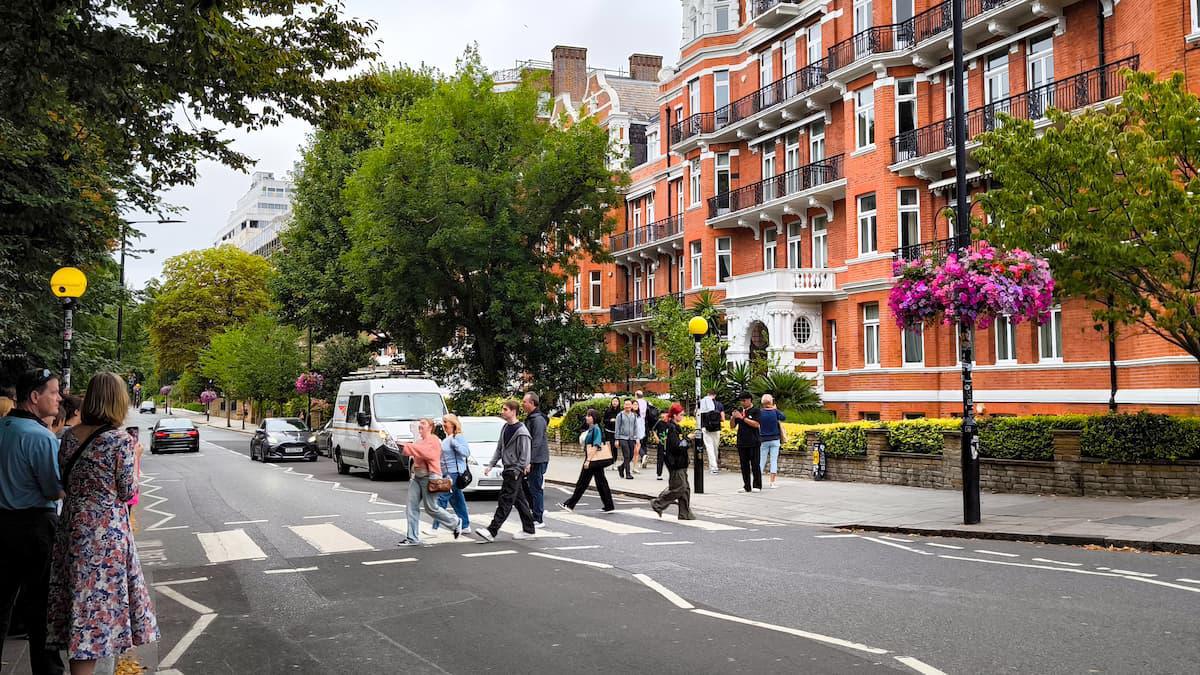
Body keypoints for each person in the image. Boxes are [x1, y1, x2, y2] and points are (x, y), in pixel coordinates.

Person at [47, 372, 156, 675]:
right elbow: (127, 491)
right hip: (104, 535)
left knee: (80, 614)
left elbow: (65, 479)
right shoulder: (120, 441)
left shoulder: (69, 437)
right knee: (96, 616)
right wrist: (136, 458)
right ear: (117, 401)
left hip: (72, 528)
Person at [0, 368, 66, 675]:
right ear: (35, 397)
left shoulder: (3, 427)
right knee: (41, 606)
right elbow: (53, 488)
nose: (59, 397)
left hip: (2, 524)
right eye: (53, 392)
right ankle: (47, 670)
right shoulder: (40, 437)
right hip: (35, 526)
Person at [476, 400, 536, 542]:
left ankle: (492, 531)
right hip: (507, 468)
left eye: (505, 409)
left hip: (513, 470)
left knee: (505, 500)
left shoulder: (522, 432)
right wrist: (491, 465)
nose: (502, 412)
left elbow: (525, 455)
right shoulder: (505, 427)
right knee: (519, 500)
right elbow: (499, 448)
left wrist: (517, 471)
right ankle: (529, 529)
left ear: (513, 411)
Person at [397, 418, 462, 546]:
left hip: (429, 477)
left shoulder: (434, 440)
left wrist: (408, 446)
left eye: (423, 423)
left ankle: (455, 522)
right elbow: (414, 451)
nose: (420, 425)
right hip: (417, 478)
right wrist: (402, 447)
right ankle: (412, 538)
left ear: (430, 427)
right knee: (411, 506)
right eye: (419, 423)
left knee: (431, 508)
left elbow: (427, 454)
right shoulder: (419, 441)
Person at [557, 409, 615, 512]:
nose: (587, 417)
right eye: (587, 415)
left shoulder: (596, 429)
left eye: (589, 416)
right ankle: (609, 505)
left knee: (582, 483)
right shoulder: (592, 428)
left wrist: (588, 460)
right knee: (601, 482)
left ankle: (570, 505)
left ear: (594, 418)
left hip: (592, 459)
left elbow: (596, 445)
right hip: (594, 460)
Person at [650, 403, 695, 520]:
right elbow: (676, 446)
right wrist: (688, 438)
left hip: (679, 462)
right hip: (675, 462)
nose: (683, 417)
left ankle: (684, 513)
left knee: (685, 488)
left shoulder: (674, 427)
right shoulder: (671, 428)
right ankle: (658, 503)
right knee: (680, 487)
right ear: (675, 415)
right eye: (681, 414)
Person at [430, 414, 470, 533]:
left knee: (441, 499)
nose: (443, 424)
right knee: (457, 500)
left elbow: (466, 452)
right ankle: (465, 525)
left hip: (454, 473)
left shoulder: (457, 437)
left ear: (453, 423)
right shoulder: (447, 438)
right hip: (446, 473)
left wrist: (455, 444)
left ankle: (435, 528)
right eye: (443, 421)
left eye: (446, 422)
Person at [522, 392, 550, 527]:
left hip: (537, 459)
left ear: (532, 403)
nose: (523, 404)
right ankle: (536, 511)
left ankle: (538, 518)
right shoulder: (531, 418)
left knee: (536, 488)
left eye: (524, 402)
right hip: (533, 459)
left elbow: (537, 442)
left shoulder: (537, 420)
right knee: (528, 487)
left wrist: (530, 461)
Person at [730, 392, 762, 493]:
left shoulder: (756, 411)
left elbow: (756, 424)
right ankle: (746, 486)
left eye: (744, 401)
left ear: (749, 400)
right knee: (744, 465)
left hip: (753, 442)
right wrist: (733, 417)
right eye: (741, 401)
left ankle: (757, 485)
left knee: (755, 464)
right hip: (742, 442)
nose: (742, 403)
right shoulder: (740, 411)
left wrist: (742, 418)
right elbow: (732, 426)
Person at [757, 394, 788, 489]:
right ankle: (772, 482)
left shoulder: (760, 412)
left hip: (763, 439)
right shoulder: (775, 412)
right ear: (771, 402)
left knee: (761, 461)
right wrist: (776, 409)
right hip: (775, 439)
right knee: (773, 461)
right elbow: (783, 417)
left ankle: (758, 481)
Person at [698, 389, 725, 474]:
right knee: (715, 447)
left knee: (709, 447)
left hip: (705, 428)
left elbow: (698, 414)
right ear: (715, 395)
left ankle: (713, 467)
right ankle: (714, 465)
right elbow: (723, 419)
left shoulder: (702, 403)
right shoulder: (719, 405)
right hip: (716, 429)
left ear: (707, 394)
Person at [614, 399, 638, 479]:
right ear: (623, 406)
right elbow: (617, 428)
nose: (627, 406)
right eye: (626, 405)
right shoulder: (620, 415)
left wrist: (636, 438)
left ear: (631, 406)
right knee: (627, 455)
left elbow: (635, 427)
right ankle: (628, 473)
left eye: (629, 405)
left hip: (631, 438)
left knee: (631, 455)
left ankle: (621, 467)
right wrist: (616, 439)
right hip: (622, 437)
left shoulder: (634, 415)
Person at [601, 396, 621, 468]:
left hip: (616, 432)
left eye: (616, 401)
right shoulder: (608, 411)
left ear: (618, 403)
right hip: (608, 431)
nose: (615, 402)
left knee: (615, 447)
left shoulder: (620, 412)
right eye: (613, 401)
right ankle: (609, 463)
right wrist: (610, 420)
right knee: (609, 447)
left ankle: (614, 462)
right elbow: (604, 421)